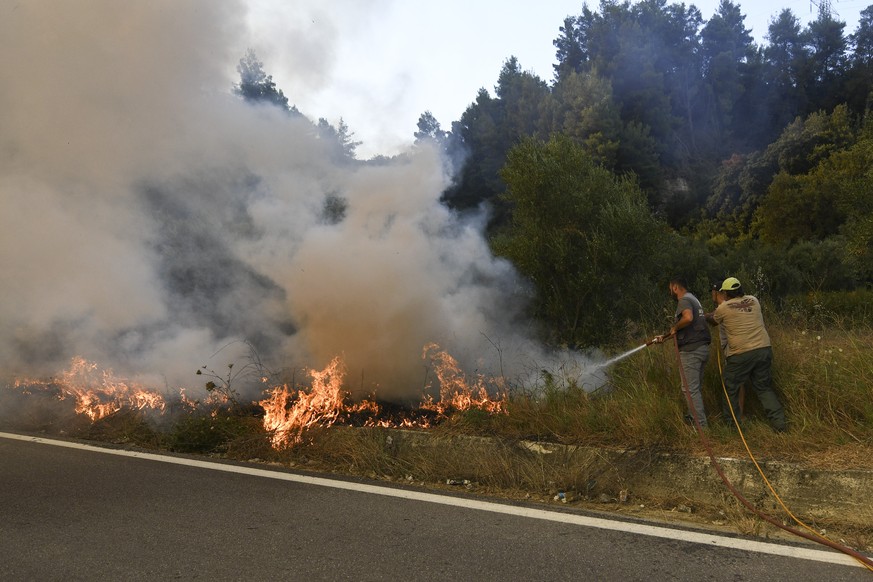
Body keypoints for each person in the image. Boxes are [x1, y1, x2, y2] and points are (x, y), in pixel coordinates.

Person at [709, 277, 786, 432]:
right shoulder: (754, 300)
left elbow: (713, 320)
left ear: (725, 292)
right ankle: (780, 424)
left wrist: (702, 316)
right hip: (763, 348)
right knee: (763, 387)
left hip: (741, 353)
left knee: (731, 387)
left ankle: (732, 425)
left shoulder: (724, 307)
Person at [654, 277, 712, 428]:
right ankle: (693, 419)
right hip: (701, 348)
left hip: (691, 351)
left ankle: (700, 427)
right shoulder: (694, 299)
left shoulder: (684, 300)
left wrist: (675, 327)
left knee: (689, 389)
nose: (670, 292)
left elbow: (687, 318)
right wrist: (665, 337)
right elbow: (687, 327)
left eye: (670, 288)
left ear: (675, 288)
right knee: (695, 388)